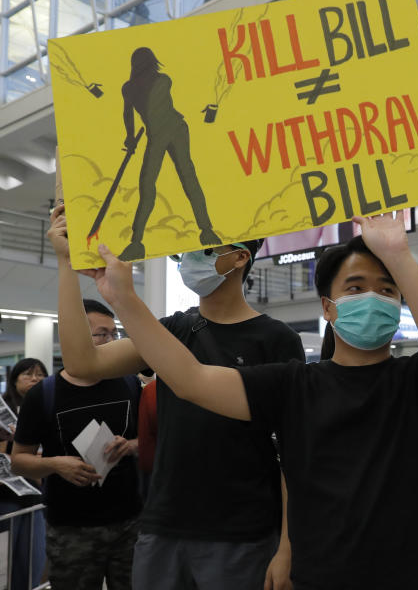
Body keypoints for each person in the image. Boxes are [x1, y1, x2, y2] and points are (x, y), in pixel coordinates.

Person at [87, 212, 418, 589]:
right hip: (319, 577)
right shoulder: (292, 385)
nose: (372, 298)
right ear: (327, 307)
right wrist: (124, 300)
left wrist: (397, 254)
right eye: (354, 288)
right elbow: (192, 380)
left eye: (387, 290)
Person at [48, 205, 301, 590]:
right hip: (163, 526)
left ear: (239, 256)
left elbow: (292, 451)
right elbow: (83, 363)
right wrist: (67, 265)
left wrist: (287, 546)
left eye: (204, 247)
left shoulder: (277, 339)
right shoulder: (174, 329)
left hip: (242, 531)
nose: (187, 260)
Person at [12, 300, 140, 590]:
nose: (111, 342)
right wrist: (55, 464)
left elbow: (151, 440)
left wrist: (131, 445)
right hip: (71, 528)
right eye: (102, 334)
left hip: (130, 522)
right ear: (75, 335)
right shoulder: (43, 395)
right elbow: (19, 460)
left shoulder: (129, 383)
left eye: (114, 334)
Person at [119, 46, 220, 261]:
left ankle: (206, 229)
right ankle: (136, 242)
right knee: (148, 185)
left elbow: (152, 111)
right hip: (159, 134)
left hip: (174, 130)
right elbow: (128, 114)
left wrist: (135, 137)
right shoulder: (131, 88)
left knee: (186, 176)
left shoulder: (161, 81)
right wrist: (129, 137)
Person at [0, 359, 47, 590]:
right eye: (28, 374)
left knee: (32, 561)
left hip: (35, 496)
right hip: (7, 496)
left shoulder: (47, 406)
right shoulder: (4, 409)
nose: (35, 379)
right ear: (15, 379)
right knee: (6, 563)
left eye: (40, 374)